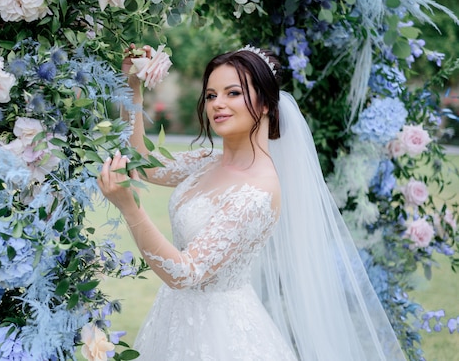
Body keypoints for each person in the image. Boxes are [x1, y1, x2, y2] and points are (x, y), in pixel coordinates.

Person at [97, 46, 406, 360]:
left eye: (233, 93)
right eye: (211, 95)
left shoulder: (257, 193)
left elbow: (185, 273)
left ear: (266, 103)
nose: (218, 104)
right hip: (175, 319)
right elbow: (143, 164)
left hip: (221, 337)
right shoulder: (208, 160)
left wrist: (129, 207)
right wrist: (132, 86)